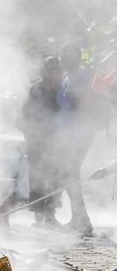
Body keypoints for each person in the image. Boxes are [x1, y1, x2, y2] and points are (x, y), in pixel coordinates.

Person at [54, 44, 95, 236]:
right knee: (68, 175)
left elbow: (84, 107)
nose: (62, 60)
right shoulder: (66, 77)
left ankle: (82, 220)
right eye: (62, 56)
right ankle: (79, 218)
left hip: (78, 134)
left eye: (67, 56)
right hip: (66, 134)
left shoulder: (81, 77)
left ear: (77, 59)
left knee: (69, 174)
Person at [20, 56, 63, 228]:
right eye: (53, 69)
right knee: (37, 176)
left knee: (54, 175)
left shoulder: (61, 88)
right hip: (37, 138)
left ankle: (50, 214)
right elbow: (27, 112)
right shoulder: (36, 88)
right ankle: (39, 214)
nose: (57, 73)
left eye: (58, 69)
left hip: (55, 138)